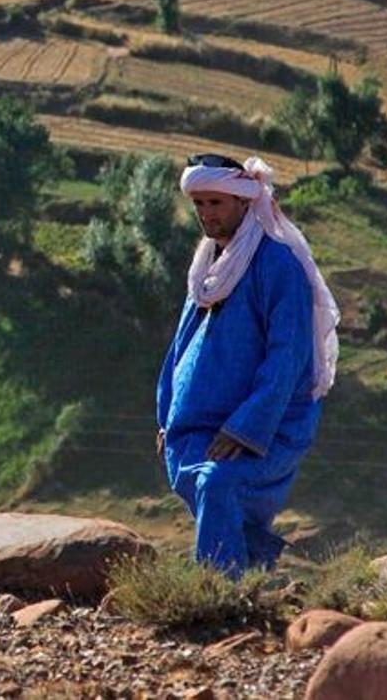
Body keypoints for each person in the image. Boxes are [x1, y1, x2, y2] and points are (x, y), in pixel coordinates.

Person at [156, 153, 339, 576]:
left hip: (269, 425)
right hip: (197, 420)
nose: (205, 214)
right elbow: (182, 344)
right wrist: (167, 411)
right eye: (199, 204)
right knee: (196, 481)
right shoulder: (209, 264)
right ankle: (254, 572)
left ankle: (218, 593)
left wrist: (246, 426)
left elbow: (288, 356)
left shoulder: (276, 265)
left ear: (243, 201)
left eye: (215, 203)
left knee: (217, 484)